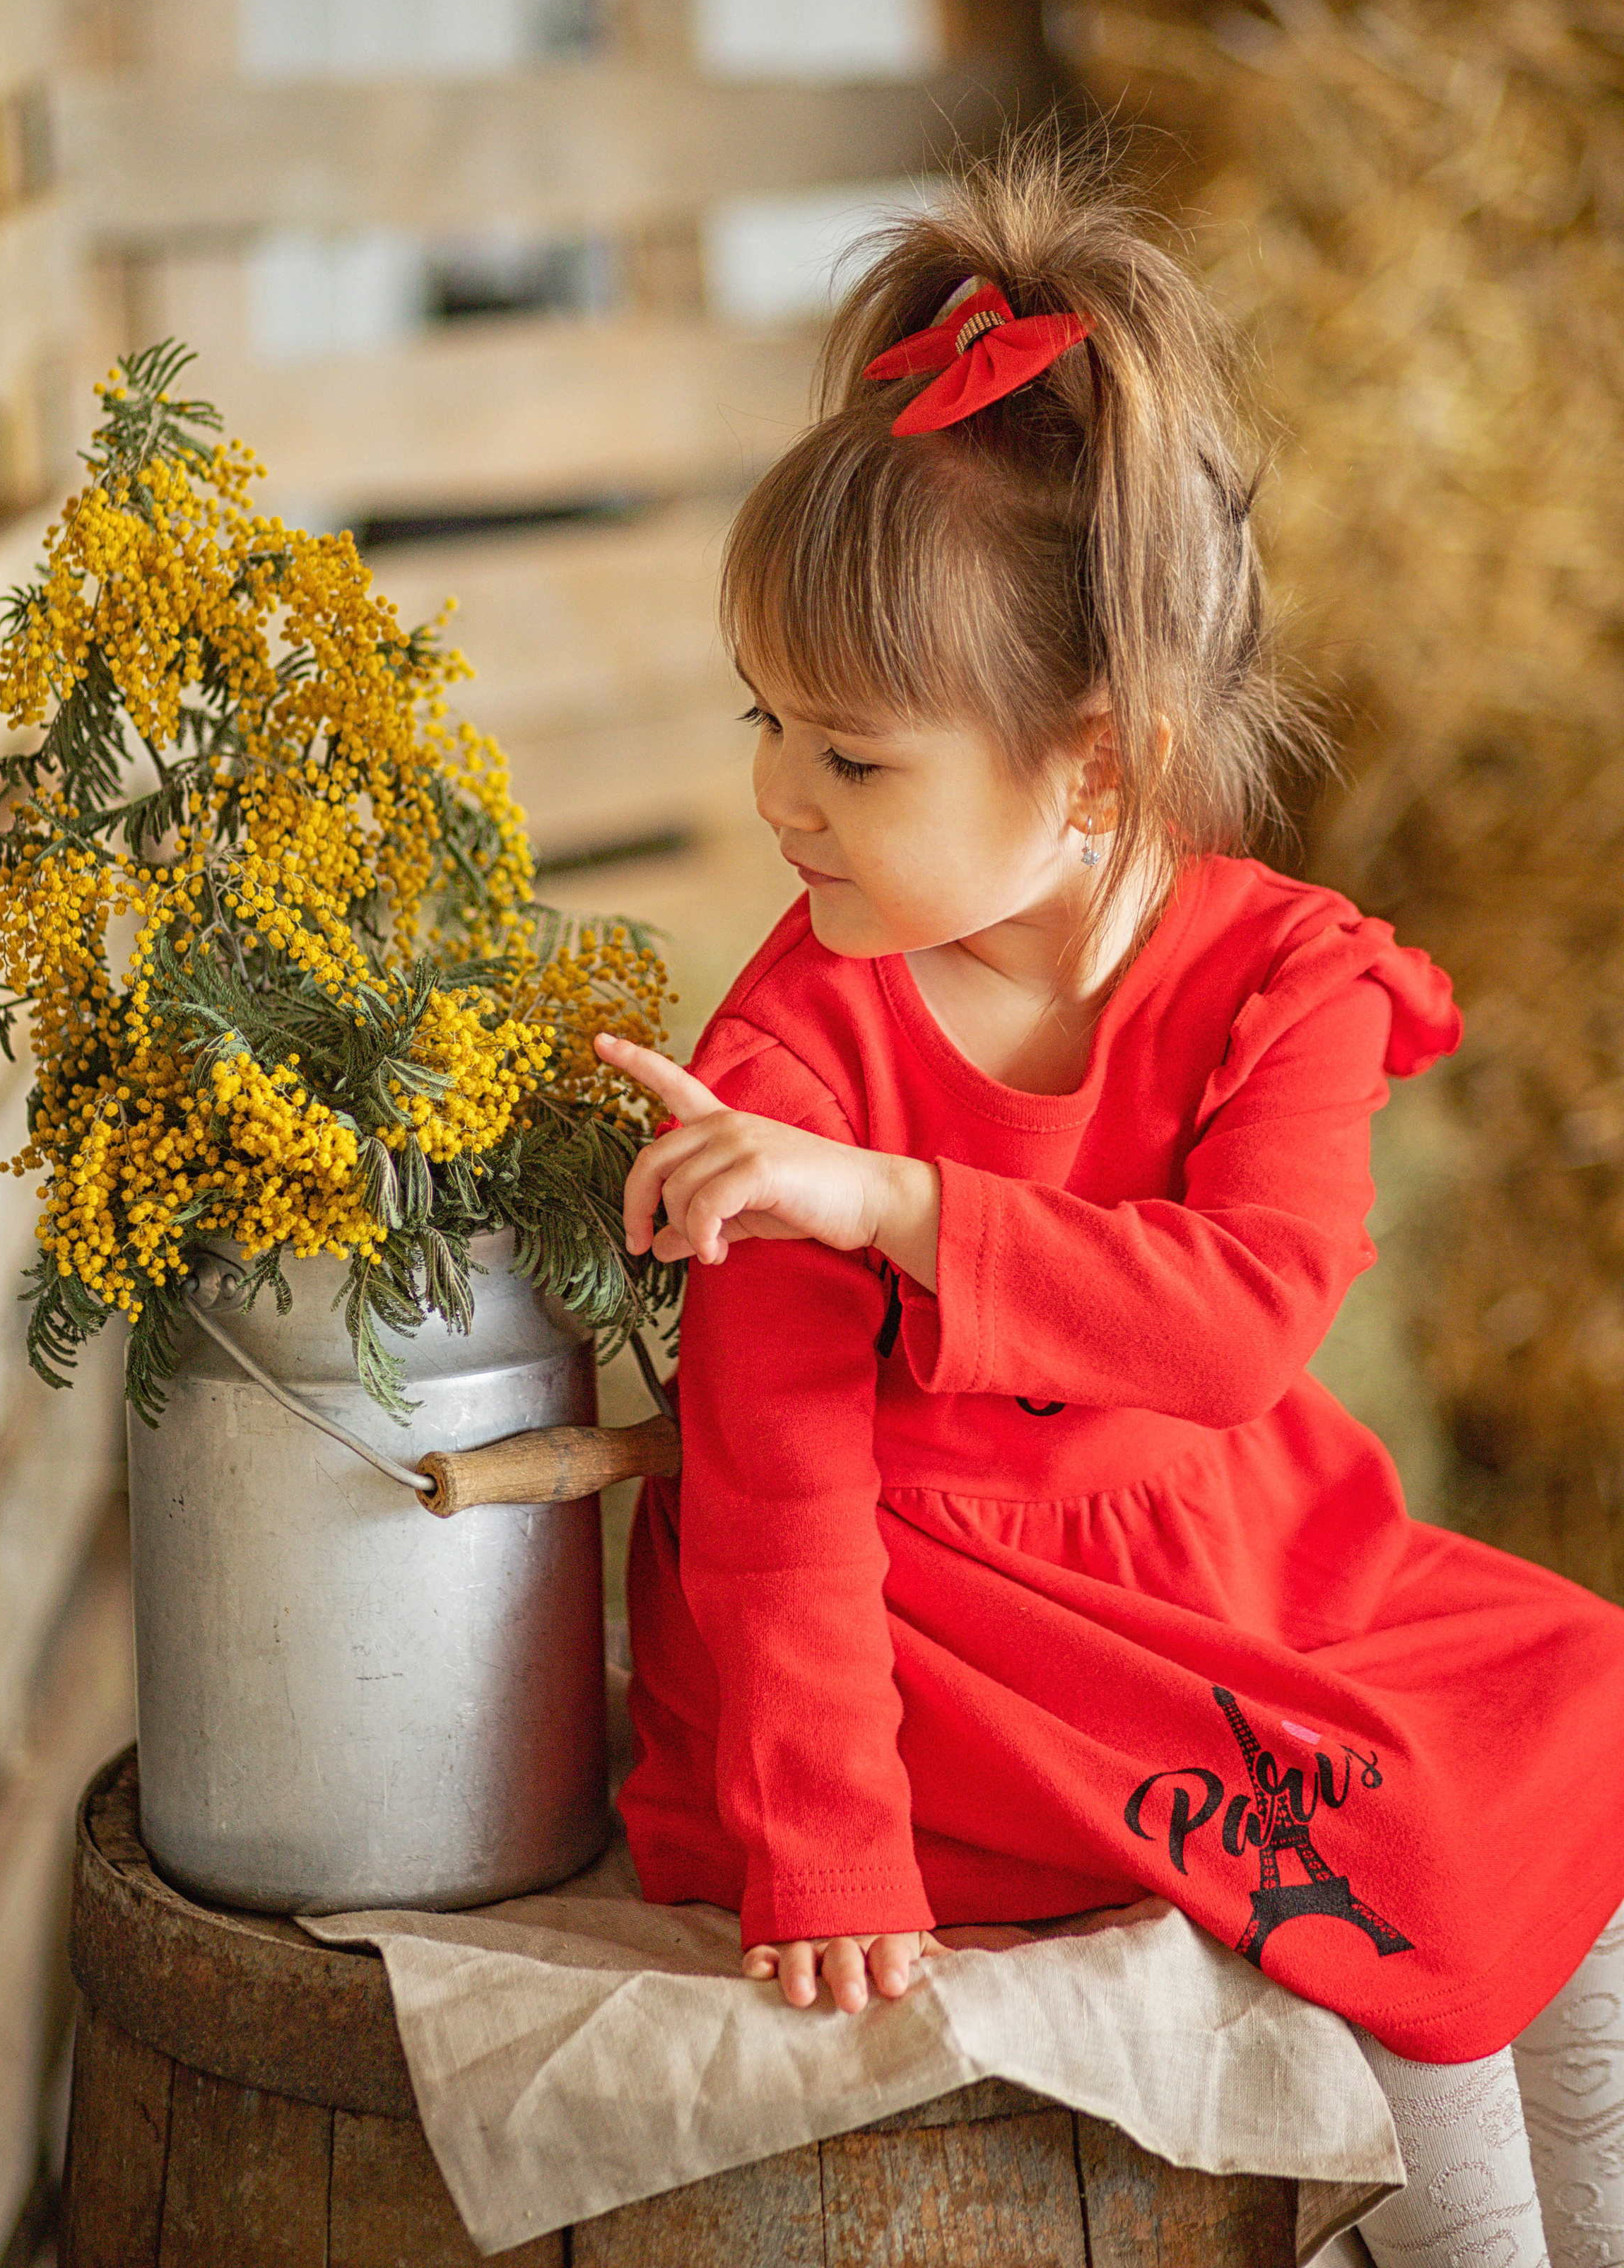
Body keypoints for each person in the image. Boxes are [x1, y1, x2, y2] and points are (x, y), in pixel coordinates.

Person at [592, 143, 1624, 2268]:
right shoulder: (793, 1050)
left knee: (1574, 1689)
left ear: (1088, 766)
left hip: (1228, 1544)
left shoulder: (1285, 978)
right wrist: (830, 1848)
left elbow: (1243, 1321)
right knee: (1400, 1818)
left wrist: (889, 1206)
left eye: (853, 758)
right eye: (764, 721)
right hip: (946, 1645)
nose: (782, 793)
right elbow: (773, 1497)